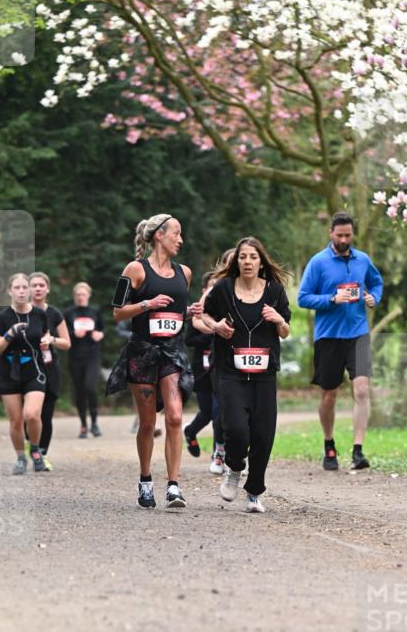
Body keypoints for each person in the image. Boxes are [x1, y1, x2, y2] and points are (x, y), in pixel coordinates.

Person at [107, 212, 202, 509]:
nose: (181, 239)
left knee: (174, 416)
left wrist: (189, 312)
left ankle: (174, 486)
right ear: (159, 235)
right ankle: (145, 480)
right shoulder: (135, 269)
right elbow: (117, 312)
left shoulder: (184, 273)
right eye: (177, 233)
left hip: (172, 353)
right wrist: (147, 303)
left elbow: (174, 314)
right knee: (148, 422)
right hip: (142, 353)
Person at [202, 236, 291, 513]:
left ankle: (254, 492)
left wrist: (278, 320)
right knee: (237, 428)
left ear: (261, 261)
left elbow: (286, 330)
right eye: (243, 257)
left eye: (253, 257)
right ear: (236, 261)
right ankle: (234, 467)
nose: (248, 262)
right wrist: (216, 326)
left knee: (263, 435)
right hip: (231, 371)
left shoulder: (275, 291)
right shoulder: (223, 289)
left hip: (264, 374)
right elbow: (204, 315)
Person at [297, 211, 384, 471]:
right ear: (330, 234)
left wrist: (373, 298)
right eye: (340, 235)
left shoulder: (363, 260)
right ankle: (329, 444)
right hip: (329, 336)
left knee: (361, 390)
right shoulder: (318, 262)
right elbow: (303, 298)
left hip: (357, 333)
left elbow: (377, 284)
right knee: (329, 396)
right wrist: (331, 299)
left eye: (348, 234)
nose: (344, 239)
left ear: (352, 233)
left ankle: (358, 451)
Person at [0, 273, 50, 474]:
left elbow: (46, 336)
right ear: (10, 291)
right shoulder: (3, 317)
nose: (22, 291)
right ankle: (20, 457)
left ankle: (35, 449)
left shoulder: (40, 315)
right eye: (17, 287)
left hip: (34, 369)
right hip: (9, 371)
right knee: (16, 420)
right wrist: (10, 333)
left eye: (25, 287)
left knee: (32, 415)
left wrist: (47, 342)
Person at [184, 268, 226, 474]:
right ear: (203, 289)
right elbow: (188, 339)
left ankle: (218, 454)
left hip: (219, 369)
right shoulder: (198, 314)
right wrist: (210, 336)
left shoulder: (222, 310)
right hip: (201, 370)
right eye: (211, 286)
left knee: (219, 412)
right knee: (206, 413)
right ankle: (190, 432)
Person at [28, 272, 71, 466]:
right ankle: (30, 441)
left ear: (47, 289)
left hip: (49, 366)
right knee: (27, 414)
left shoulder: (54, 313)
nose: (37, 288)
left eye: (41, 285)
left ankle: (42, 454)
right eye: (34, 285)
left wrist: (51, 339)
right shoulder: (21, 312)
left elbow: (66, 343)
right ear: (28, 289)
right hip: (25, 367)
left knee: (46, 413)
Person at [64, 282, 105, 438]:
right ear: (75, 296)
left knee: (90, 387)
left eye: (83, 294)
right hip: (75, 356)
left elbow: (102, 329)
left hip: (92, 355)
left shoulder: (94, 311)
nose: (81, 297)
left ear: (88, 295)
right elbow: (61, 332)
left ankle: (94, 423)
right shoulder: (68, 313)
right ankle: (83, 425)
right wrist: (74, 333)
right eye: (78, 295)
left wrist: (100, 335)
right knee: (79, 390)